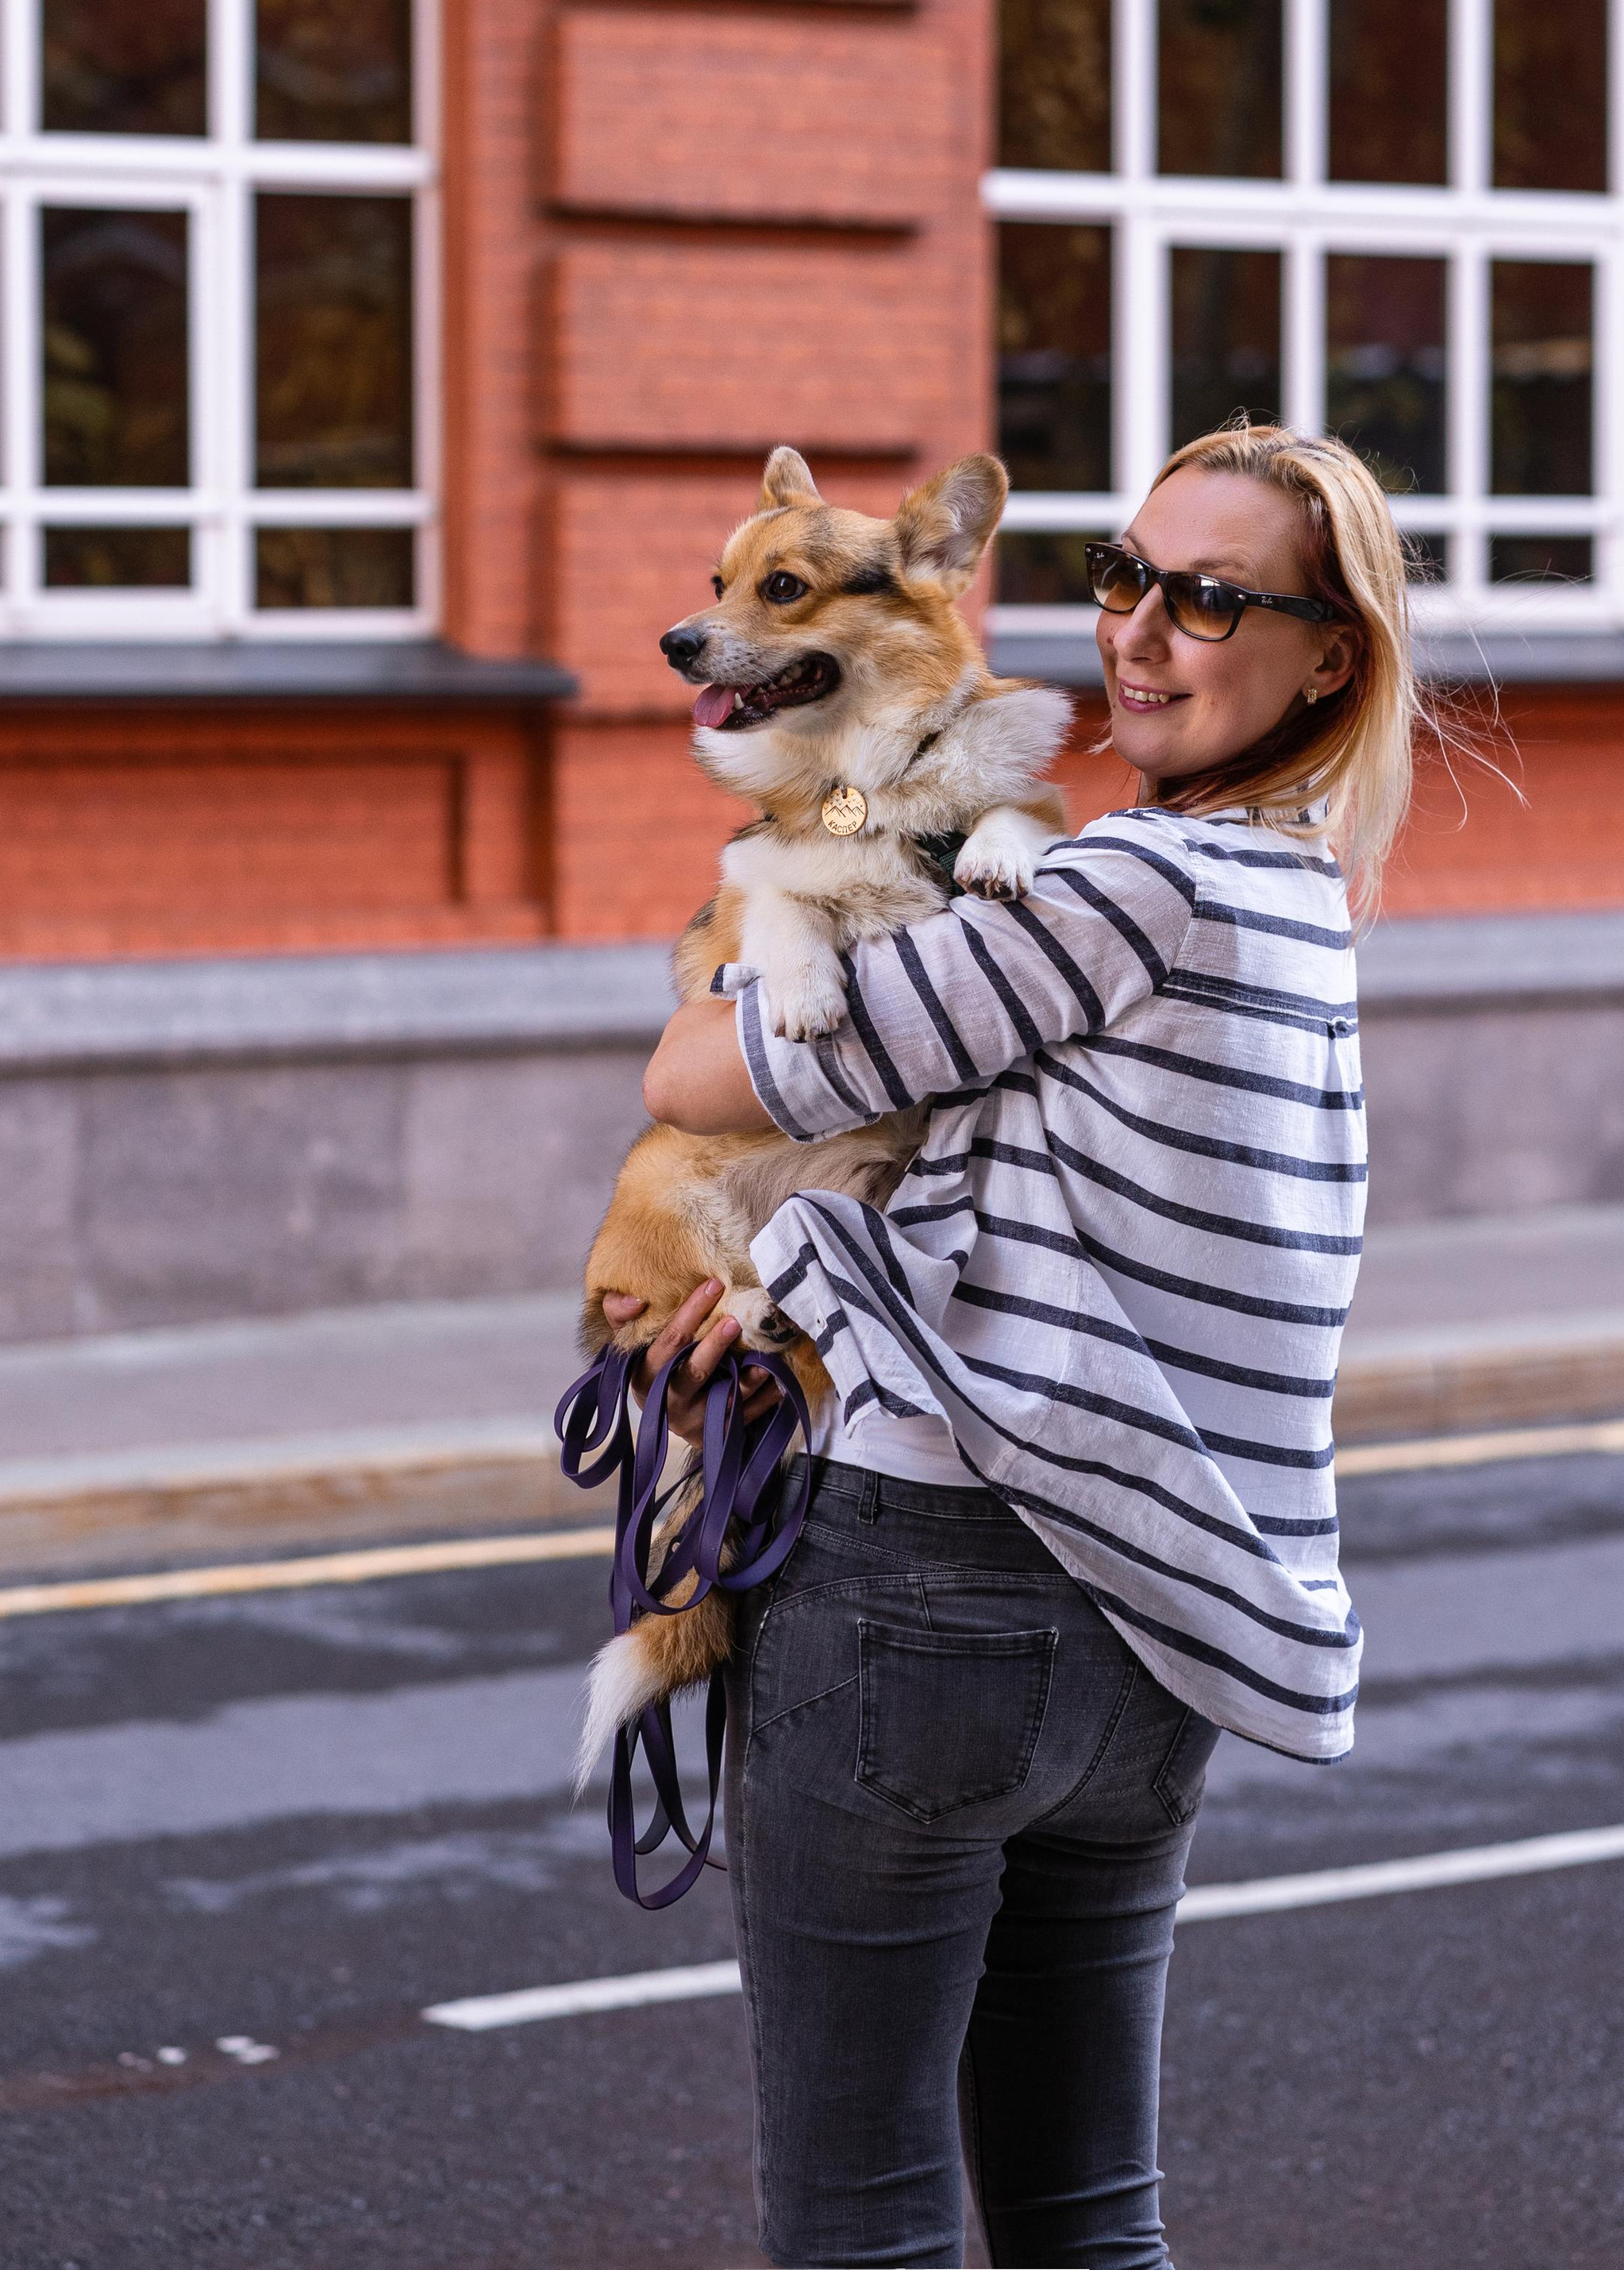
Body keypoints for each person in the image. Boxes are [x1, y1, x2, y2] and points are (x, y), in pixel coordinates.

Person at [602, 422, 1422, 2270]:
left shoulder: (1115, 888)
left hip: (930, 1598)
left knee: (862, 2223)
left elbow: (705, 1070)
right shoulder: (1297, 896)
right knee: (1082, 2220)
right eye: (1127, 578)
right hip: (1153, 1633)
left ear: (1326, 655)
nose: (1139, 632)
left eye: (1209, 599)